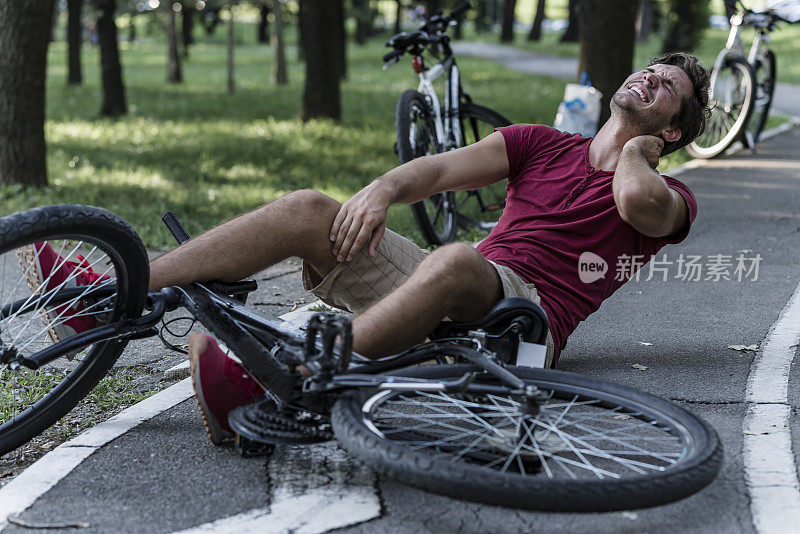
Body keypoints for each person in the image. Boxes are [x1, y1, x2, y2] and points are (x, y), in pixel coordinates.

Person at [25, 52, 710, 445]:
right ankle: (105, 298)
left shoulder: (668, 197)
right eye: (649, 70)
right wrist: (382, 188)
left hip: (521, 321)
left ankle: (293, 387)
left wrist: (641, 149)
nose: (648, 80)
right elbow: (438, 171)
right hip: (455, 281)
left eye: (665, 91)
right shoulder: (541, 144)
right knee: (307, 209)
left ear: (674, 132)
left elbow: (635, 203)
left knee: (459, 257)